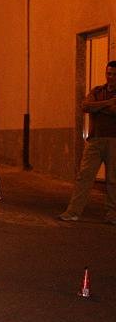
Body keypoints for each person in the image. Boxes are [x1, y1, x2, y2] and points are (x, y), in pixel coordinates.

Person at [59, 60, 116, 224]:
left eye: (113, 74)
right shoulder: (98, 90)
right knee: (84, 176)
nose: (110, 77)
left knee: (113, 179)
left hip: (113, 141)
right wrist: (107, 104)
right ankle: (73, 212)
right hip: (94, 140)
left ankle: (112, 214)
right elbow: (85, 106)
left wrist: (97, 108)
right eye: (108, 73)